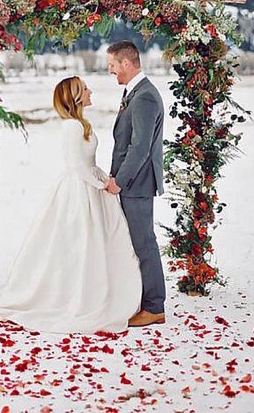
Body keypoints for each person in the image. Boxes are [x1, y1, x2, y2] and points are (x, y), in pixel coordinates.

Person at [0, 76, 142, 333]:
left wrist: (102, 178)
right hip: (79, 191)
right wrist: (99, 185)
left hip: (92, 184)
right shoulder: (71, 127)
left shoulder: (81, 123)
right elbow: (75, 165)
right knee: (79, 242)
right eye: (84, 88)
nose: (89, 90)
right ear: (75, 96)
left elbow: (88, 163)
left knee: (97, 242)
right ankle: (76, 294)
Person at [105, 41, 166, 327]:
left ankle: (154, 307)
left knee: (144, 244)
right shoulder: (136, 93)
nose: (110, 70)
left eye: (113, 65)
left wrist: (121, 180)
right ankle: (143, 301)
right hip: (132, 183)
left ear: (126, 63)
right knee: (138, 243)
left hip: (137, 184)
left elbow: (140, 147)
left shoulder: (144, 98)